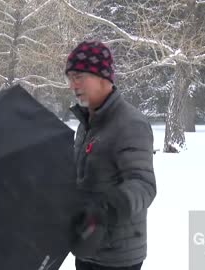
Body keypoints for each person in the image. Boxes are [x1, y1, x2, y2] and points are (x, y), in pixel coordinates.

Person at [66, 40, 157, 270]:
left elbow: (143, 185)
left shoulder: (130, 123)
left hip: (118, 258)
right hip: (86, 246)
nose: (72, 85)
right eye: (69, 78)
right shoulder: (86, 125)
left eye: (79, 76)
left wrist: (104, 209)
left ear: (102, 77)